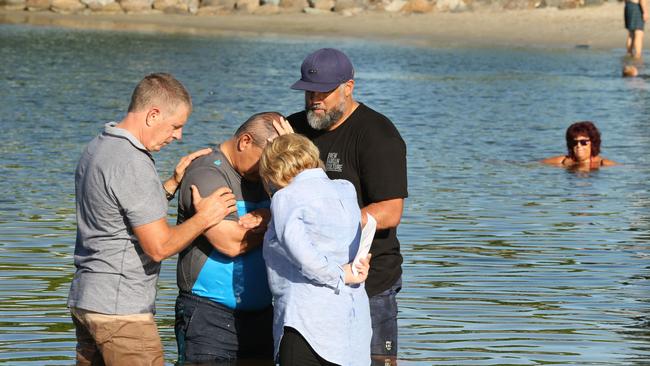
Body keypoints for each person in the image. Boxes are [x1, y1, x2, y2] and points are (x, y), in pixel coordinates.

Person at [68, 73, 237, 366]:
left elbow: (118, 215)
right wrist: (205, 216)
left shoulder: (99, 146)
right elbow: (159, 247)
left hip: (88, 302)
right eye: (175, 126)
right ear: (153, 114)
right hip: (122, 313)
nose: (178, 136)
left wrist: (170, 184)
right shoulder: (133, 161)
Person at [285, 48, 408, 364]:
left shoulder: (377, 134)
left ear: (348, 87)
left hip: (370, 280)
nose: (315, 99)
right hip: (309, 280)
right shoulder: (292, 129)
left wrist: (325, 220)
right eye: (309, 91)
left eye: (324, 92)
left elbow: (390, 211)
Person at [174, 112, 284, 364]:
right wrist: (277, 222)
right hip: (208, 316)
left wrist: (267, 216)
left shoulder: (268, 176)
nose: (270, 171)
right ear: (244, 141)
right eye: (265, 160)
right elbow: (231, 243)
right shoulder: (206, 173)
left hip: (263, 317)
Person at [260, 133, 372, 366]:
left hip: (306, 321)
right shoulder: (345, 189)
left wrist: (340, 274)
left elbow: (303, 256)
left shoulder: (285, 196)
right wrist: (353, 269)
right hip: (350, 321)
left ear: (274, 169)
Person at [542, 121, 617, 169]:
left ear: (593, 143)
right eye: (575, 142)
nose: (579, 145)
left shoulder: (603, 163)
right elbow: (534, 165)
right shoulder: (562, 161)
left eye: (583, 142)